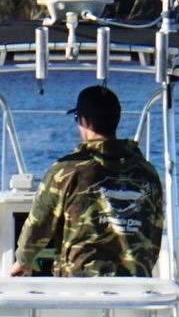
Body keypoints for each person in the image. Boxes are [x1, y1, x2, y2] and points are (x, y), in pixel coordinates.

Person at [11, 85, 164, 280]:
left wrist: (23, 261)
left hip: (79, 293)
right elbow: (154, 233)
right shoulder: (148, 173)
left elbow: (39, 224)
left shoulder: (65, 171)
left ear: (84, 120)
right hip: (135, 291)